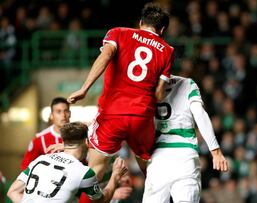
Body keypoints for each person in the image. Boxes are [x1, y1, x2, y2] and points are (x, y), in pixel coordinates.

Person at [67, 3, 174, 180]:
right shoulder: (167, 51)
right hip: (141, 117)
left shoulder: (118, 33)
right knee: (151, 172)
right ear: (162, 30)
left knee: (95, 170)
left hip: (112, 114)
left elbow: (106, 56)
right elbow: (159, 94)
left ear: (140, 22)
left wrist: (84, 88)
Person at [142, 75, 229, 203]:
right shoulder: (187, 83)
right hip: (185, 156)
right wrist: (215, 151)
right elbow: (199, 113)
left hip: (158, 159)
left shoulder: (143, 87)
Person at [7, 122, 128, 203]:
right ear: (87, 142)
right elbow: (101, 201)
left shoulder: (40, 159)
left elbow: (12, 192)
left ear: (64, 141)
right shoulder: (84, 173)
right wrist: (115, 176)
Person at [20, 97, 71, 171]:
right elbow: (25, 167)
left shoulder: (80, 136)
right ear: (51, 115)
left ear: (70, 114)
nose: (63, 115)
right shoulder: (39, 139)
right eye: (58, 111)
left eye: (66, 111)